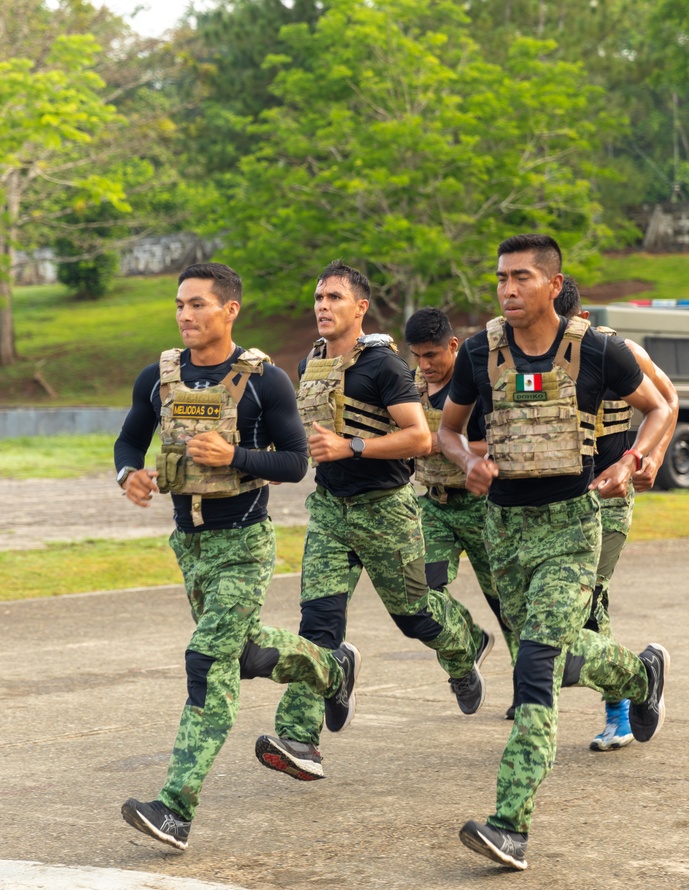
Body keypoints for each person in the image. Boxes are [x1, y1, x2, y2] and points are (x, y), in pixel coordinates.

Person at [439, 234, 672, 870]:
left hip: (573, 525)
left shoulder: (597, 350)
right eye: (499, 280)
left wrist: (632, 462)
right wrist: (468, 463)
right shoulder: (479, 354)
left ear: (551, 283)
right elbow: (448, 430)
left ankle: (509, 822)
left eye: (519, 278)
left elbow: (658, 410)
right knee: (557, 649)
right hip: (504, 531)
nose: (507, 290)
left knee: (536, 668)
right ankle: (639, 673)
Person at [114, 262, 350, 851]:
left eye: (198, 305)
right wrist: (129, 475)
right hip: (187, 544)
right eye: (179, 305)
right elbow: (128, 439)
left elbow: (296, 462)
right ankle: (331, 667)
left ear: (229, 310)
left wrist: (236, 456)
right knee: (243, 651)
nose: (186, 316)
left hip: (243, 543)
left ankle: (174, 807)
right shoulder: (158, 376)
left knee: (208, 663)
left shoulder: (264, 380)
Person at [254, 260, 492, 782]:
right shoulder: (309, 364)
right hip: (330, 512)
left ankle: (465, 644)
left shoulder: (384, 367)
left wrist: (351, 446)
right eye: (318, 298)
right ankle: (301, 737)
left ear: (360, 307)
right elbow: (305, 435)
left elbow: (420, 438)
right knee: (317, 625)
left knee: (414, 617)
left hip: (386, 512)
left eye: (334, 298)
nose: (322, 306)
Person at [553, 277, 678, 751]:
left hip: (608, 497)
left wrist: (650, 458)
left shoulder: (615, 350)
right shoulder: (526, 357)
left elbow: (667, 401)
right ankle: (628, 692)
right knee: (575, 606)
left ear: (579, 318)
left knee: (586, 597)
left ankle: (620, 708)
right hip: (554, 503)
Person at [404, 307, 519, 715]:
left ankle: (528, 689)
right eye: (418, 355)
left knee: (507, 601)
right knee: (422, 589)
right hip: (434, 504)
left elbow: (500, 443)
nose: (426, 365)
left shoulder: (477, 380)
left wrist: (446, 447)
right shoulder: (412, 384)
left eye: (433, 355)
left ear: (453, 346)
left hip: (482, 505)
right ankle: (465, 649)